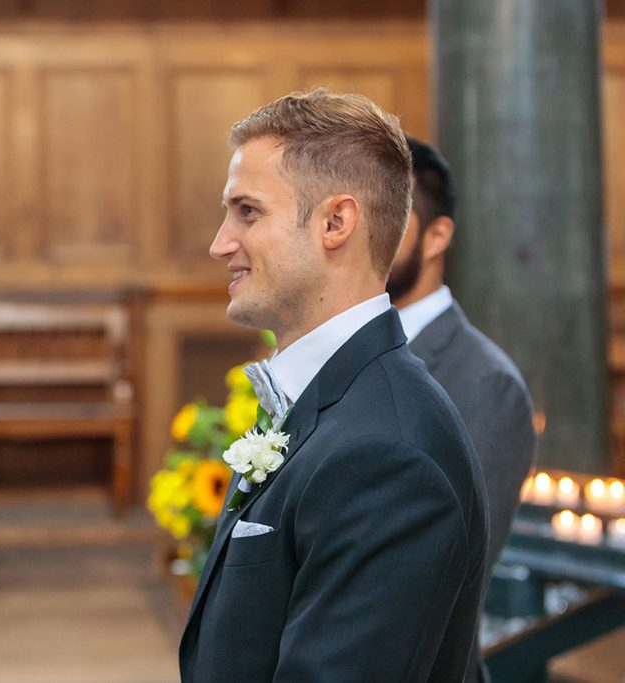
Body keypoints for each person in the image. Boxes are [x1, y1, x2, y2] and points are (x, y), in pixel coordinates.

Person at [178, 89, 489, 682]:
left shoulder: (389, 457)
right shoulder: (328, 400)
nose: (220, 243)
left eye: (247, 211)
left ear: (335, 223)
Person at [389, 136, 536, 683]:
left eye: (391, 218)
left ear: (437, 235)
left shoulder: (487, 384)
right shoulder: (332, 355)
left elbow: (443, 582)